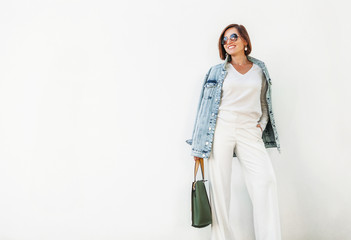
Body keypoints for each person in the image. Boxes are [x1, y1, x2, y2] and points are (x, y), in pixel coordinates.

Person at [186, 24, 282, 240]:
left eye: (233, 37)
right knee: (220, 190)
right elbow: (204, 107)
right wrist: (199, 145)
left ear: (245, 41)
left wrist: (261, 125)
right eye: (224, 39)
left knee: (266, 181)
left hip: (250, 131)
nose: (228, 41)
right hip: (221, 129)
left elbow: (264, 104)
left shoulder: (260, 70)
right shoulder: (217, 71)